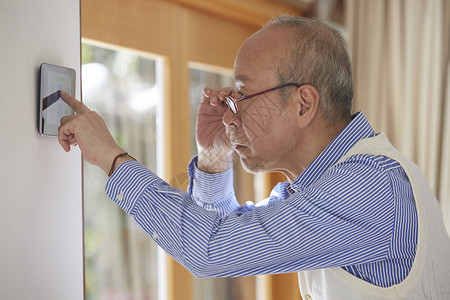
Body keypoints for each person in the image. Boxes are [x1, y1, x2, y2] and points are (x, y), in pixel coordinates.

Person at [58, 16, 450, 299]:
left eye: (242, 95)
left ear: (303, 104)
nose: (230, 114)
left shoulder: (368, 187)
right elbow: (230, 235)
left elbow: (212, 251)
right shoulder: (318, 188)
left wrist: (112, 157)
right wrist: (213, 160)